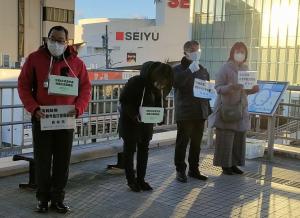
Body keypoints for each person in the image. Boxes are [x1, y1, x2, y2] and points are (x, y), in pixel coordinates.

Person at [18, 26, 91, 213]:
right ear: (47, 39)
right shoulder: (35, 59)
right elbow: (23, 86)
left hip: (66, 119)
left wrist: (78, 108)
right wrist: (33, 109)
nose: (56, 43)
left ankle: (58, 199)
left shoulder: (77, 63)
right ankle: (42, 199)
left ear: (67, 42)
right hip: (42, 118)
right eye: (53, 39)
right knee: (42, 161)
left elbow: (85, 89)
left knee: (62, 162)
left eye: (61, 40)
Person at [119, 61, 173, 192]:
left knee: (144, 150)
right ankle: (131, 181)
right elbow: (124, 101)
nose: (163, 84)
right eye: (162, 81)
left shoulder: (159, 86)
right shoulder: (136, 82)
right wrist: (134, 115)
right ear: (156, 75)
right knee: (129, 151)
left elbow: (160, 104)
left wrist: (161, 117)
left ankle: (141, 179)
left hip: (146, 125)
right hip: (130, 123)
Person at [212, 42, 259, 175]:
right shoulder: (225, 68)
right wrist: (230, 87)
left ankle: (234, 164)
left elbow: (245, 90)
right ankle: (224, 165)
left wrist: (254, 89)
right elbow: (218, 88)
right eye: (237, 51)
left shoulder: (246, 69)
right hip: (227, 108)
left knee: (239, 137)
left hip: (241, 108)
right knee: (225, 137)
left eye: (243, 52)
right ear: (232, 53)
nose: (240, 54)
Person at [173, 40, 211, 183]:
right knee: (182, 142)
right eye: (193, 50)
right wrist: (189, 71)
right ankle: (180, 170)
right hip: (185, 112)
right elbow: (177, 83)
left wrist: (208, 109)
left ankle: (194, 169)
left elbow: (206, 89)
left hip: (200, 112)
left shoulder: (203, 69)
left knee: (196, 143)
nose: (197, 53)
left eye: (198, 50)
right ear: (186, 52)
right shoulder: (177, 69)